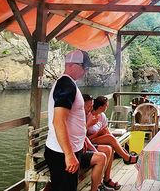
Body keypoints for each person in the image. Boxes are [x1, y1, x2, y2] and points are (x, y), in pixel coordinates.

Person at [44, 50, 95, 191]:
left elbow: (72, 118)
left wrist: (81, 138)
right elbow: (58, 121)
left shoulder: (69, 84)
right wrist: (69, 154)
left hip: (69, 149)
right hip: (62, 152)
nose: (86, 71)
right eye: (84, 67)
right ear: (72, 65)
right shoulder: (66, 86)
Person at [82, 94, 121, 190]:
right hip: (79, 149)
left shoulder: (93, 114)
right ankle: (98, 186)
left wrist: (93, 148)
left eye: (91, 106)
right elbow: (83, 135)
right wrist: (89, 124)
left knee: (109, 148)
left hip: (88, 144)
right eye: (88, 107)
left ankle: (105, 180)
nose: (91, 109)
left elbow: (85, 138)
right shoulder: (83, 115)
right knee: (102, 155)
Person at [86, 96, 136, 164]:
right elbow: (85, 136)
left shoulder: (102, 116)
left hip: (99, 138)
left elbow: (106, 131)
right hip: (89, 140)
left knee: (111, 141)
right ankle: (127, 158)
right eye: (106, 105)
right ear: (101, 107)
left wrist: (117, 144)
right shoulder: (88, 116)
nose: (107, 107)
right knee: (110, 138)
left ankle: (108, 174)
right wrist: (99, 133)